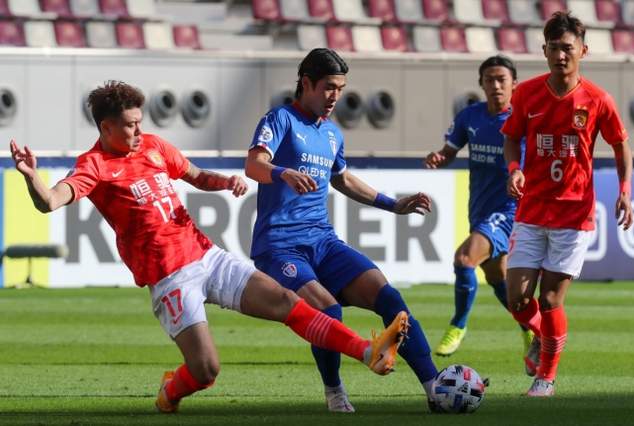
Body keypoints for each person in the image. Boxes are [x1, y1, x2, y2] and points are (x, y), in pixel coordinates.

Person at [9, 81, 411, 413]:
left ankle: (367, 350)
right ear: (106, 127)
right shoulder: (93, 165)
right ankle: (170, 391)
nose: (138, 131)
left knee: (287, 302)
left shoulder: (154, 146)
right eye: (129, 126)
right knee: (206, 370)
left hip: (205, 255)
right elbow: (51, 201)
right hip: (170, 279)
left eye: (139, 123)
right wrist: (31, 177)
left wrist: (226, 182)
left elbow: (196, 175)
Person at [244, 48, 440, 413]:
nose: (336, 96)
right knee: (328, 311)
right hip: (280, 246)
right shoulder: (280, 119)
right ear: (306, 83)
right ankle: (334, 391)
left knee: (390, 299)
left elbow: (343, 179)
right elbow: (254, 164)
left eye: (341, 88)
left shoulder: (332, 133)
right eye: (329, 87)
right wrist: (281, 173)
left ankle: (435, 387)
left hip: (323, 240)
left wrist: (393, 204)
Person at [501, 12, 633, 397]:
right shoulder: (526, 93)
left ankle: (546, 379)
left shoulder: (598, 99)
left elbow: (621, 144)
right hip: (531, 209)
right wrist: (514, 169)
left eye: (568, 48)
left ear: (583, 51)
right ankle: (545, 336)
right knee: (517, 298)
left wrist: (625, 190)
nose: (561, 55)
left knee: (550, 299)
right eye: (554, 48)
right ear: (544, 50)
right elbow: (511, 138)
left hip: (573, 215)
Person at [424, 55, 534, 358]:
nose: (496, 85)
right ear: (481, 84)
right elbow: (449, 151)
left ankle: (457, 325)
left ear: (514, 84)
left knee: (464, 259)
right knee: (498, 278)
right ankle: (530, 328)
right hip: (480, 209)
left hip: (510, 210)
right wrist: (438, 158)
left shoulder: (524, 120)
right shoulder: (470, 116)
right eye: (490, 80)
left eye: (502, 79)